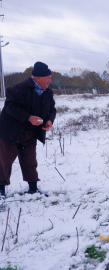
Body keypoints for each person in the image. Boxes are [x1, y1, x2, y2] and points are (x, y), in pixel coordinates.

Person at [0, 62, 56, 197]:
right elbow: (10, 107)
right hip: (11, 132)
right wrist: (28, 117)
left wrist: (49, 120)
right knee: (4, 161)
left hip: (30, 133)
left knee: (30, 161)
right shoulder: (18, 88)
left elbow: (52, 109)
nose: (50, 80)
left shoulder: (48, 92)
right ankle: (0, 190)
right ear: (38, 78)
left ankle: (33, 188)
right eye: (48, 77)